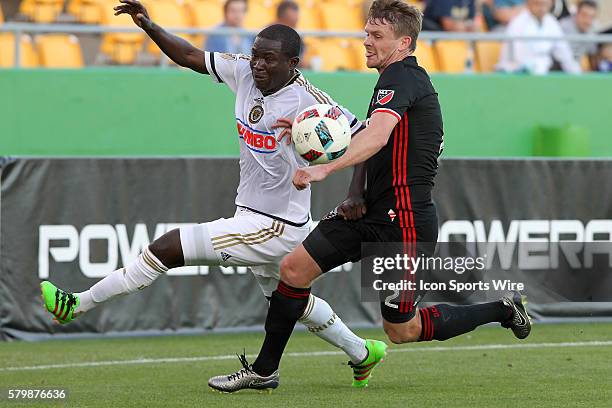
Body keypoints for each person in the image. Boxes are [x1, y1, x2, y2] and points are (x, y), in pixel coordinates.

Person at [40, 0, 384, 390]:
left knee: (167, 247)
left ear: (293, 63)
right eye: (256, 56)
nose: (258, 65)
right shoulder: (243, 72)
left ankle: (77, 304)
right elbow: (189, 55)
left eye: (269, 60)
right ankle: (361, 352)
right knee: (292, 302)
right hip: (256, 216)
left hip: (275, 225)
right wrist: (148, 26)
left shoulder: (313, 101)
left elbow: (366, 142)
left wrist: (356, 194)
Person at [210, 0, 532, 393]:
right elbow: (374, 141)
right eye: (366, 33)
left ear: (404, 43)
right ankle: (264, 371)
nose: (366, 41)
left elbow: (376, 135)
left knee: (402, 329)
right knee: (293, 270)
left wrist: (322, 168)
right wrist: (350, 187)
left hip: (405, 222)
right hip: (369, 214)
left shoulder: (403, 77)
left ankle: (501, 309)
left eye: (377, 36)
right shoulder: (390, 80)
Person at [497, 0, 581, 74]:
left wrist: (577, 75)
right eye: (537, 3)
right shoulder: (518, 23)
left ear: (551, 4)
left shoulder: (551, 22)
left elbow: (564, 53)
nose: (541, 8)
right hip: (517, 74)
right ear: (529, 3)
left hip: (542, 73)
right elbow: (518, 59)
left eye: (545, 4)